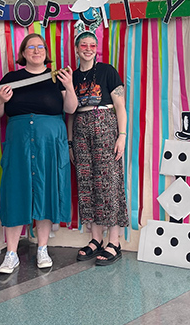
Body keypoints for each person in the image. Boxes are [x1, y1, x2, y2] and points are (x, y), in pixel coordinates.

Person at [0, 33, 77, 273]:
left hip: (49, 143)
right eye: (31, 47)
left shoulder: (56, 78)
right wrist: (0, 99)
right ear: (23, 52)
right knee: (15, 191)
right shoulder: (11, 78)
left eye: (40, 47)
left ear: (46, 51)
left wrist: (69, 86)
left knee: (47, 190)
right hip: (19, 143)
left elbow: (70, 108)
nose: (36, 51)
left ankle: (42, 248)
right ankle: (11, 253)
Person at [68, 30, 129, 265]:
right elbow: (71, 114)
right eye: (84, 45)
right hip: (81, 128)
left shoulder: (108, 71)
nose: (88, 48)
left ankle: (114, 241)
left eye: (92, 45)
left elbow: (120, 106)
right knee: (86, 184)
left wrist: (121, 135)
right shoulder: (72, 77)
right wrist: (71, 142)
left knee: (109, 183)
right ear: (76, 49)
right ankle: (96, 239)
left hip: (105, 125)